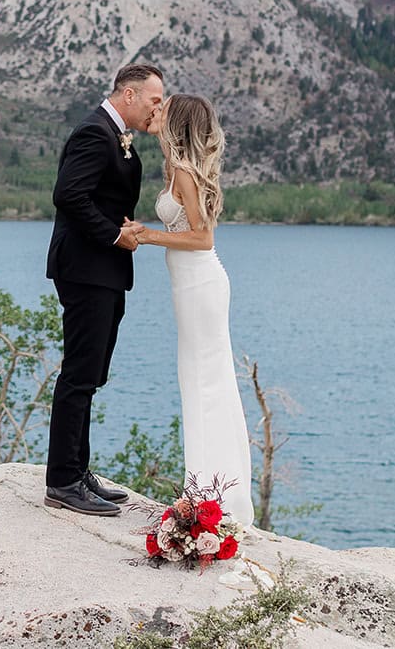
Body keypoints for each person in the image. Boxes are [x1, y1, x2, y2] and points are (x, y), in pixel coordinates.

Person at [43, 63, 165, 516]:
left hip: (104, 271)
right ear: (129, 96)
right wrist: (117, 235)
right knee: (78, 373)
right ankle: (61, 481)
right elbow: (69, 195)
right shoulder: (95, 133)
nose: (158, 108)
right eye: (154, 100)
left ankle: (77, 469)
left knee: (92, 373)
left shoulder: (117, 135)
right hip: (86, 268)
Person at [137, 94, 254, 526]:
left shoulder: (185, 172)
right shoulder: (174, 167)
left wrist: (147, 236)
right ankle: (205, 491)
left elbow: (203, 238)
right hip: (188, 287)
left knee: (206, 384)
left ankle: (213, 499)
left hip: (201, 284)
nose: (156, 109)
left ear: (176, 120)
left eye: (163, 106)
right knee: (198, 383)